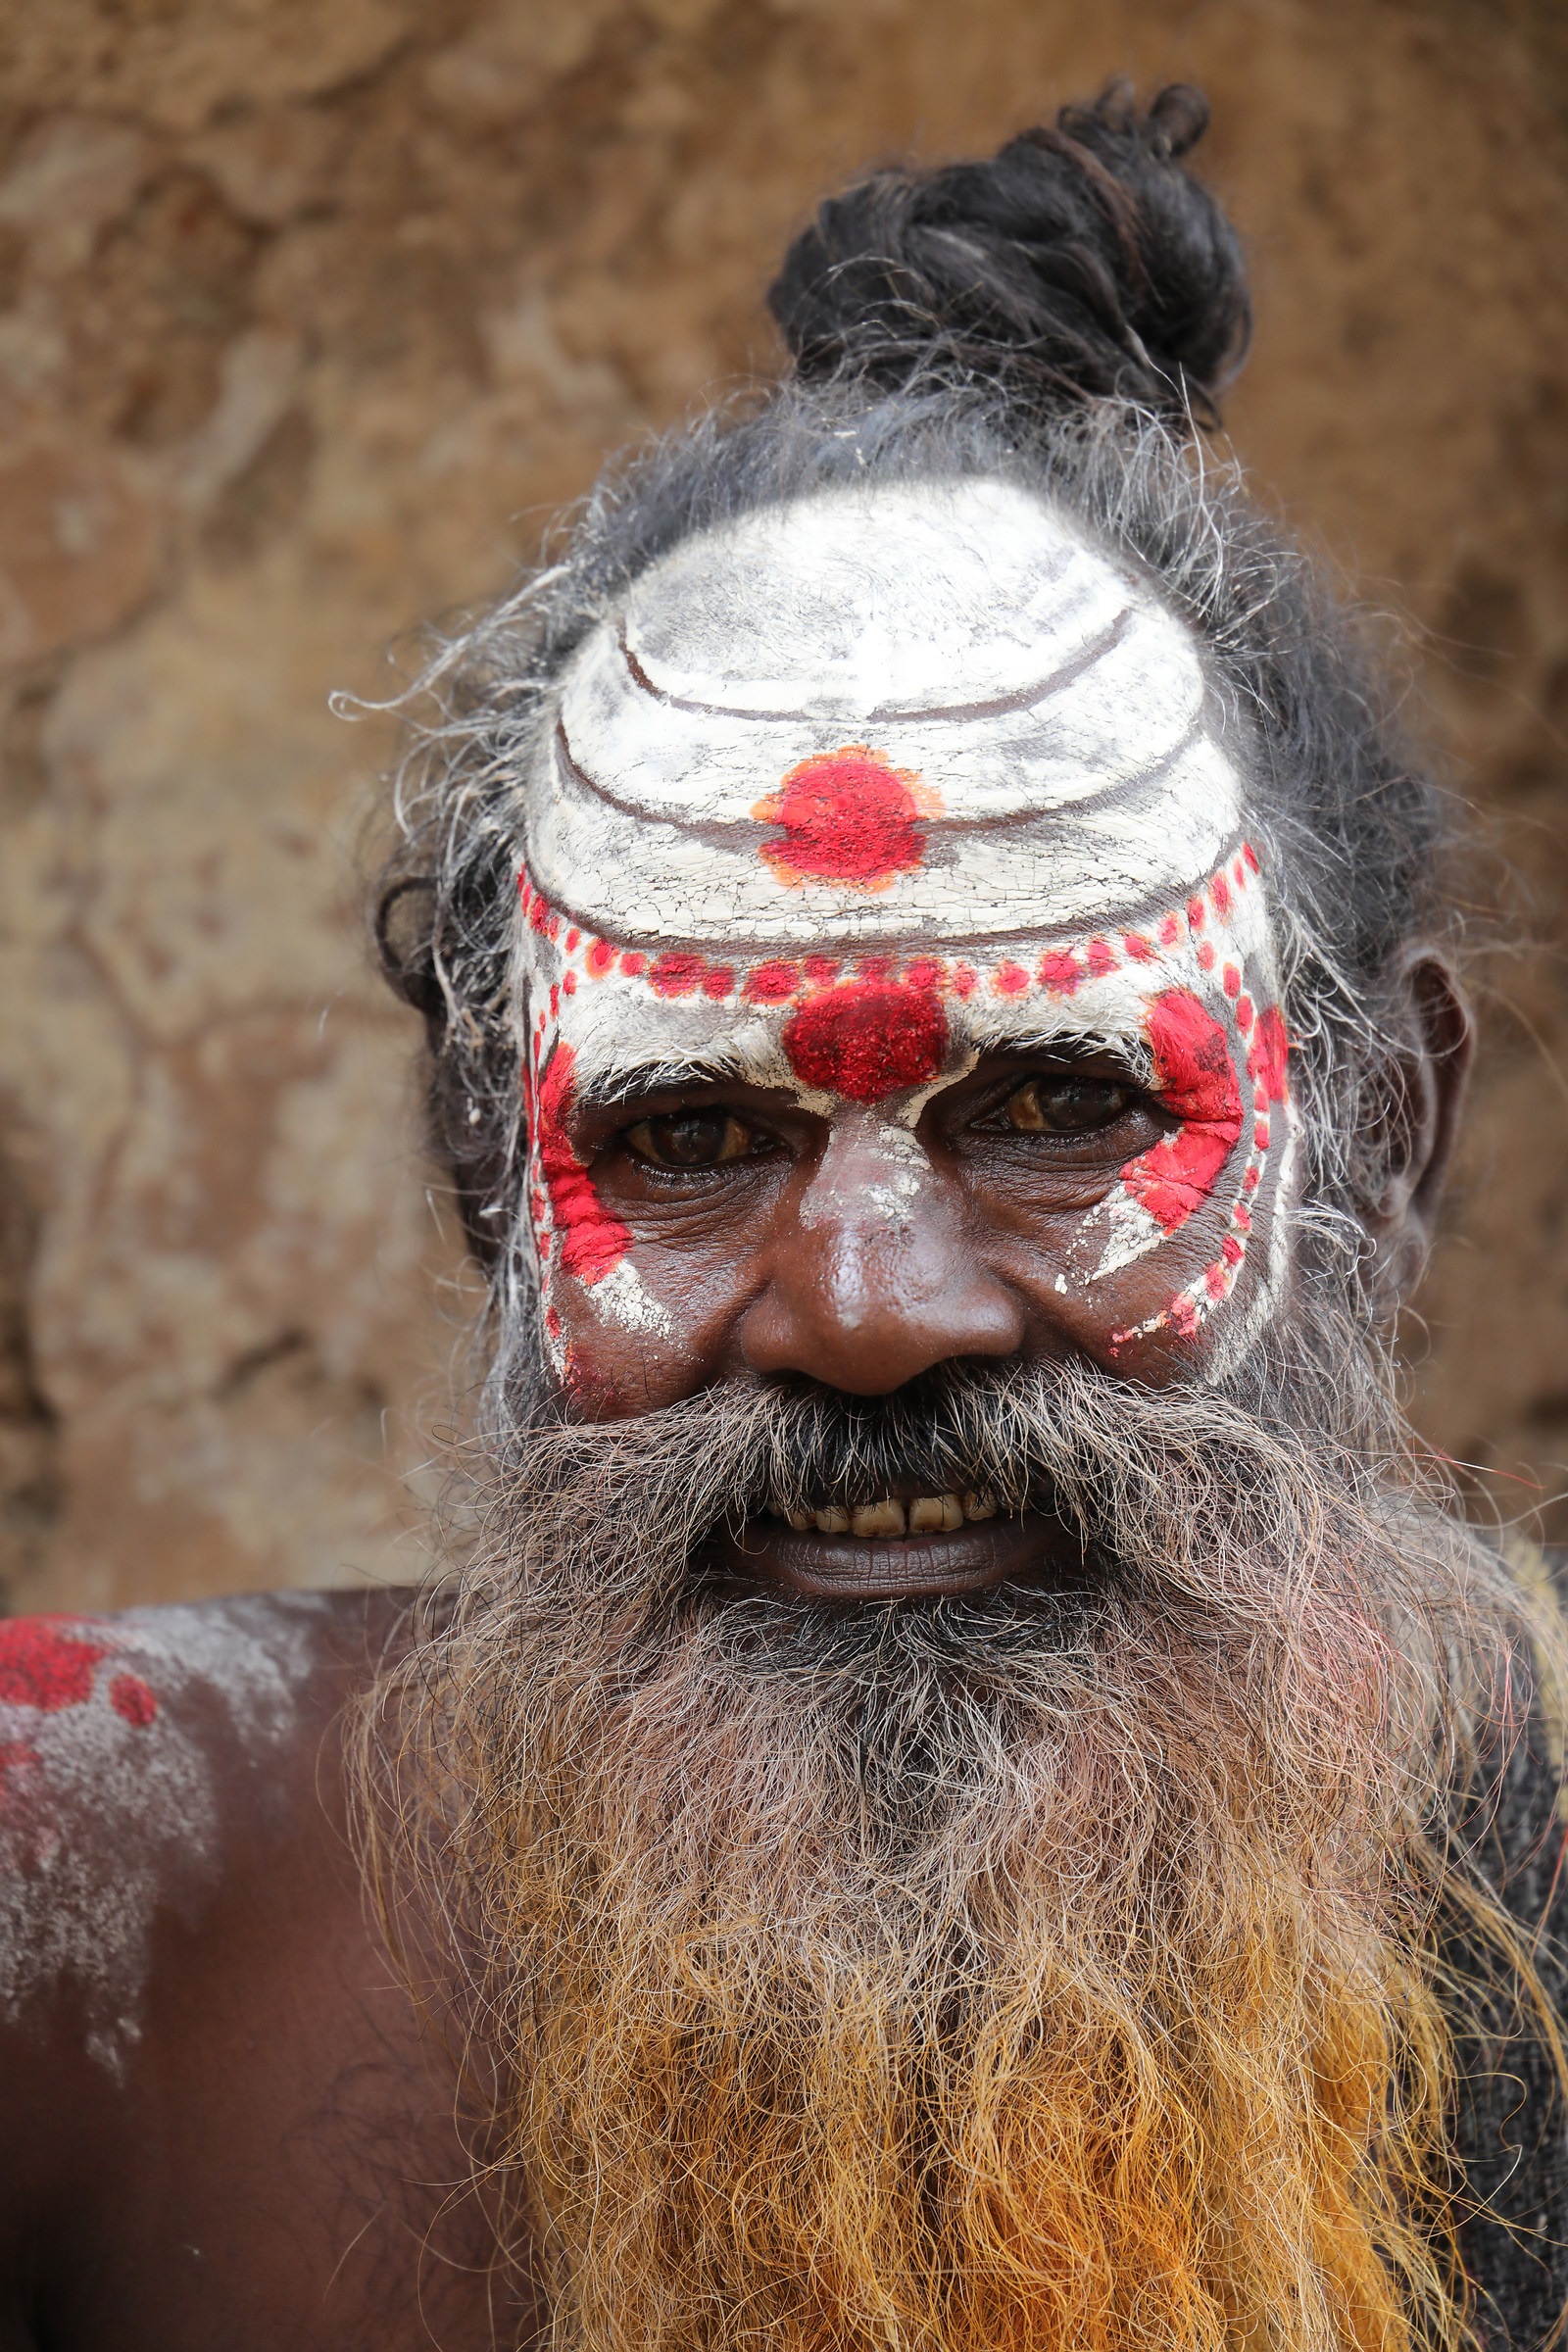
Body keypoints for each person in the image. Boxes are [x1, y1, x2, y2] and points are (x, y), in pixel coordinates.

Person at [1, 83, 1564, 2352]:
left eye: (1048, 1103)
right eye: (690, 1139)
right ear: (485, 1178)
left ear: (1380, 1139)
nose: (860, 1309)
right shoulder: (104, 1902)